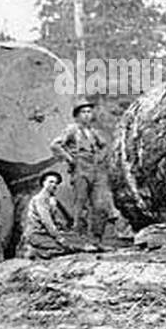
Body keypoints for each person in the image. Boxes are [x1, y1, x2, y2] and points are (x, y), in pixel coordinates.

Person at [50, 101, 114, 242]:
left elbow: (104, 146)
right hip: (80, 168)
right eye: (83, 112)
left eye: (89, 112)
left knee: (100, 204)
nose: (87, 115)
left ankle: (97, 238)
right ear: (77, 116)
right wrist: (70, 159)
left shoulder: (93, 132)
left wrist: (99, 157)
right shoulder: (72, 130)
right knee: (81, 204)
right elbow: (55, 145)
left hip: (95, 168)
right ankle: (82, 238)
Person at [17, 170, 98, 259]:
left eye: (56, 183)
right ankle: (36, 251)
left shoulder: (52, 199)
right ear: (44, 183)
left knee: (75, 237)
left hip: (47, 233)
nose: (54, 185)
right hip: (37, 234)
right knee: (66, 246)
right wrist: (59, 237)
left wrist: (63, 230)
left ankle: (89, 246)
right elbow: (46, 221)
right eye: (51, 182)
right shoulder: (40, 199)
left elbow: (54, 220)